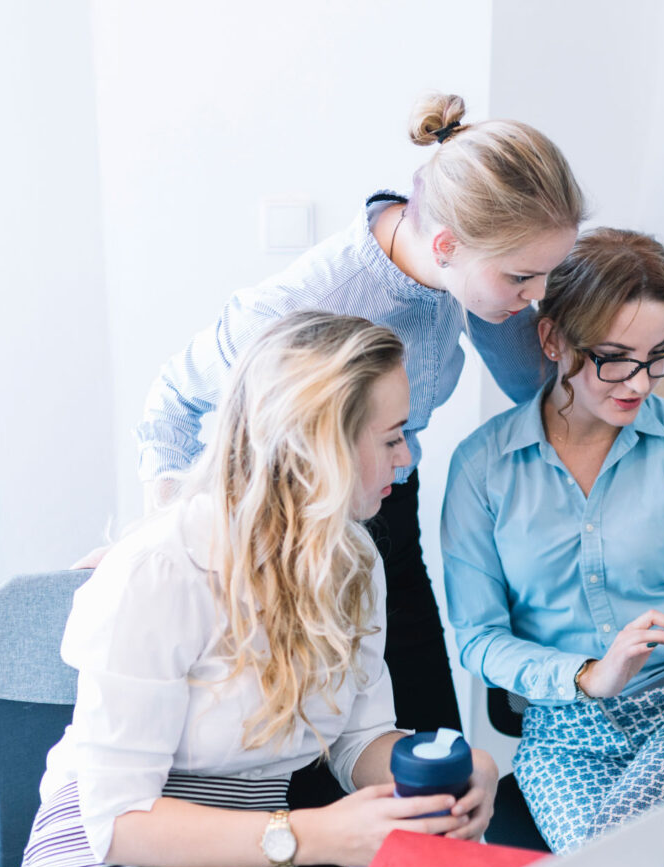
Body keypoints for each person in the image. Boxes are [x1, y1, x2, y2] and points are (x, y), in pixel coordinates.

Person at [12, 312, 499, 867]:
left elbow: (359, 741)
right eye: (392, 437)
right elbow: (117, 824)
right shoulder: (162, 571)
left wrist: (455, 764)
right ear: (319, 448)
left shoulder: (355, 561)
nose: (407, 460)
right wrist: (317, 835)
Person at [133, 91, 583, 740]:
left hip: (394, 519)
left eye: (547, 274)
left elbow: (530, 383)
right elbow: (170, 401)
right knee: (325, 767)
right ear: (448, 244)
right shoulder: (315, 300)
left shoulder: (466, 275)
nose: (536, 296)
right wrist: (171, 542)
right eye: (522, 278)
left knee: (437, 758)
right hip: (301, 543)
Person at [440, 229, 664, 854]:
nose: (641, 382)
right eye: (616, 357)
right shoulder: (481, 467)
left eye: (658, 356)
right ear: (553, 340)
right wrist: (588, 674)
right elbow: (478, 638)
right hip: (566, 733)